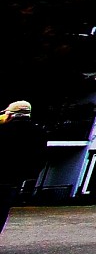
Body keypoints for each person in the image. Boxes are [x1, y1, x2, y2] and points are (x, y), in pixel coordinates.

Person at [0, 101, 43, 238]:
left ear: (11, 115)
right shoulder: (38, 132)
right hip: (13, 180)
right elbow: (39, 158)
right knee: (1, 212)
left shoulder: (3, 130)